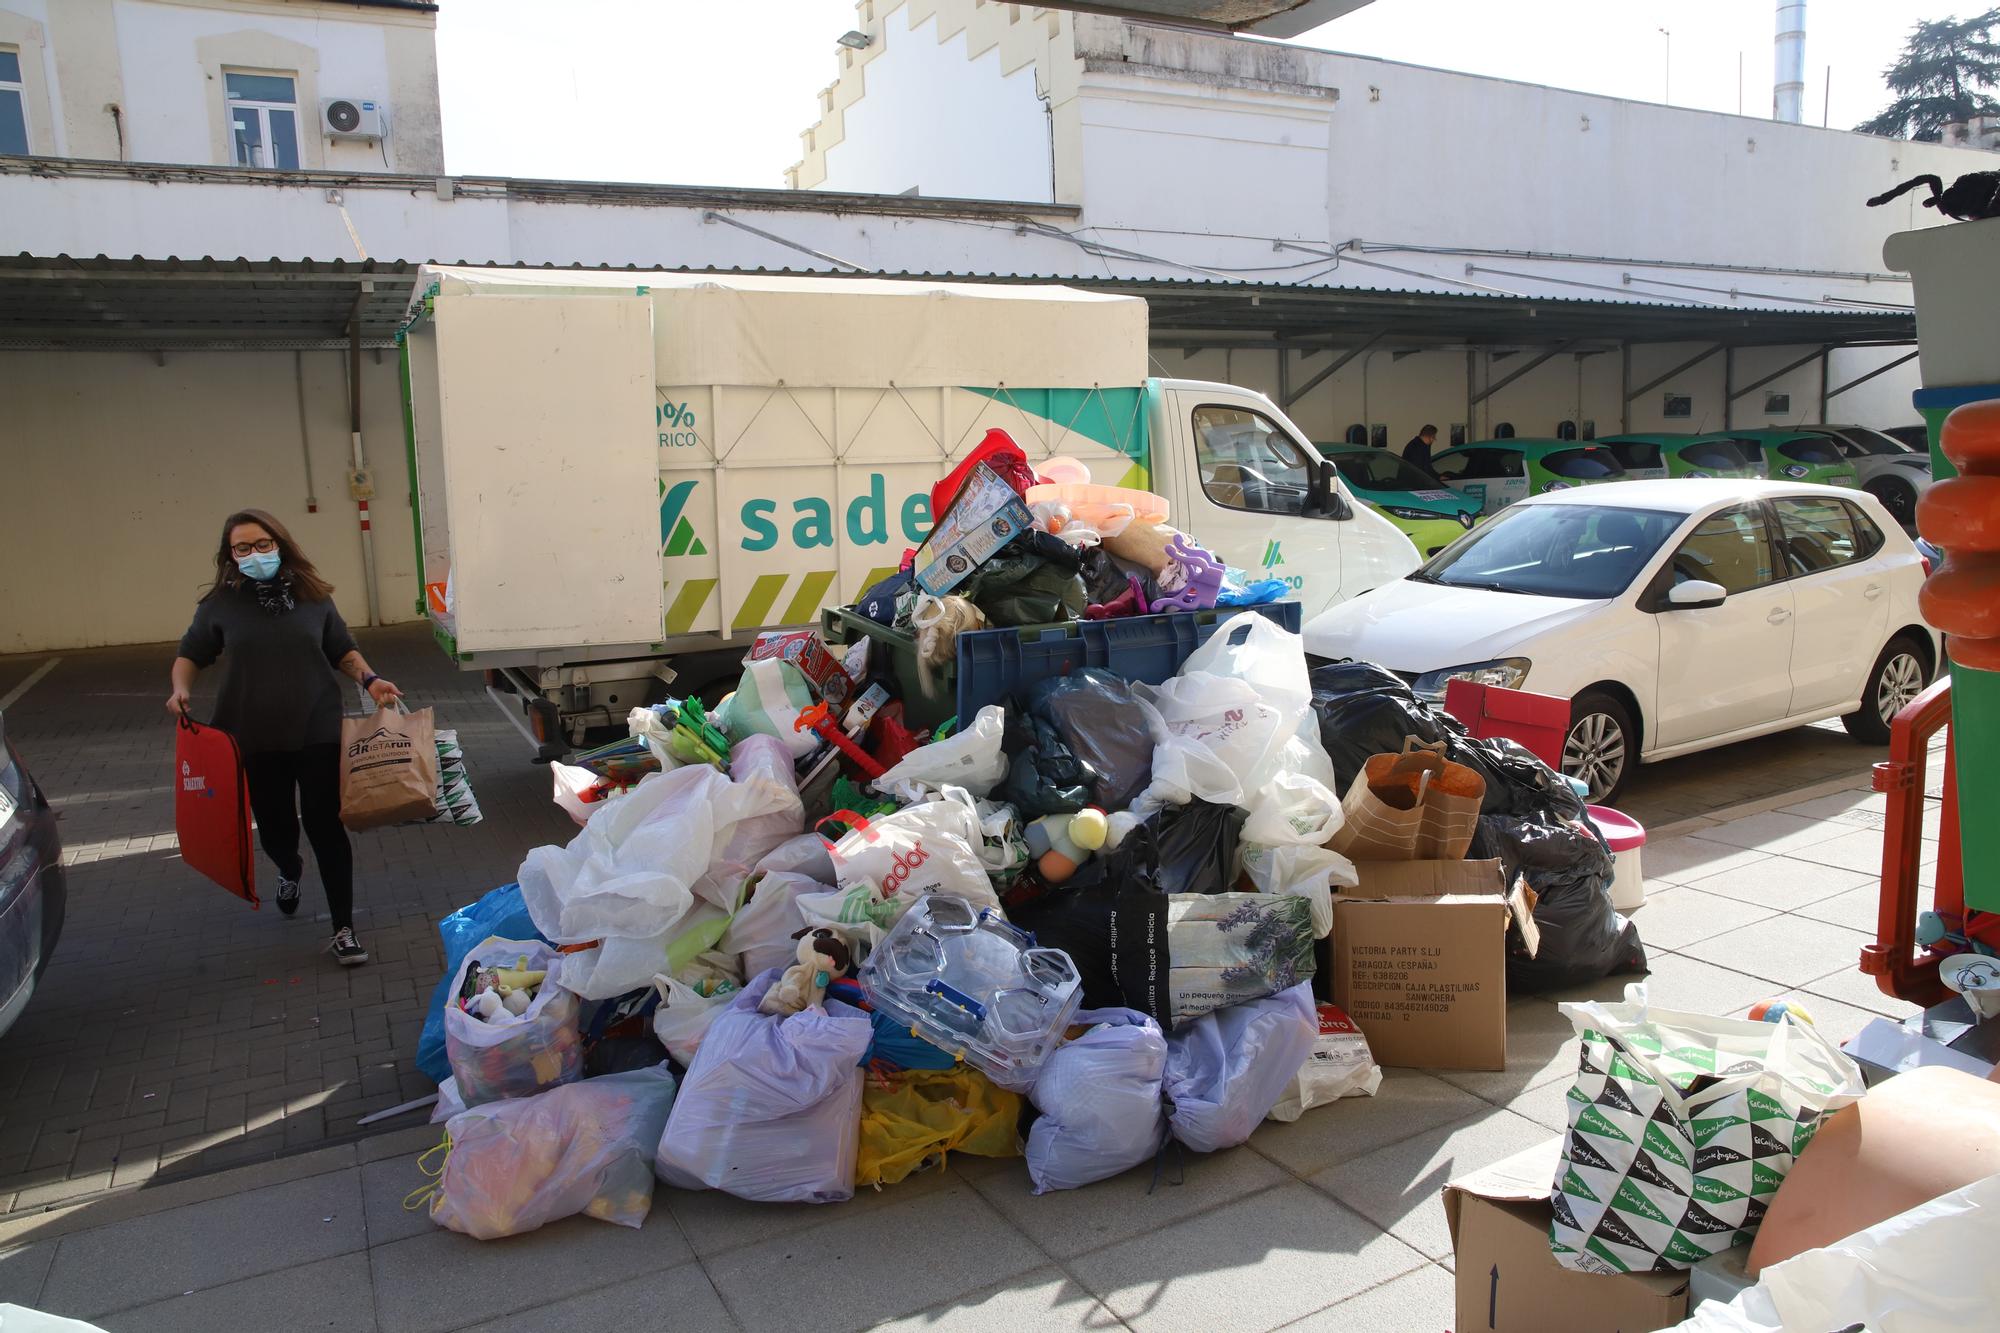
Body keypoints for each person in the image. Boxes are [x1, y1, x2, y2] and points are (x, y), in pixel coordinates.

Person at [168, 509, 400, 966]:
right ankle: (289, 867)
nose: (254, 554)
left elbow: (341, 648)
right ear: (230, 556)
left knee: (326, 827)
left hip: (317, 729)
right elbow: (189, 655)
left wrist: (371, 679)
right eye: (242, 548)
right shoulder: (220, 605)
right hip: (251, 739)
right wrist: (180, 688)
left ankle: (343, 928)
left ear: (279, 544)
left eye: (261, 544)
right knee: (276, 829)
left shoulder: (313, 597)